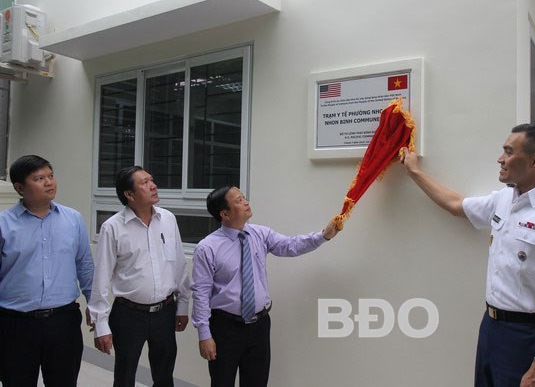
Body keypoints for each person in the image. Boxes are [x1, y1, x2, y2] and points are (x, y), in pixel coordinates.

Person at [400, 124, 535, 387]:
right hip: (492, 329)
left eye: (508, 151)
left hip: (533, 336)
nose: (500, 159)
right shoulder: (505, 200)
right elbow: (455, 205)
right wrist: (415, 172)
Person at [192, 186, 340, 387]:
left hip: (259, 325)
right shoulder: (207, 247)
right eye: (238, 200)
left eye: (244, 197)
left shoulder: (260, 234)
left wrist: (323, 236)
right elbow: (201, 293)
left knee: (257, 382)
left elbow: (290, 245)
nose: (245, 202)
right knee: (222, 382)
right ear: (224, 214)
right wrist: (204, 334)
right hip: (226, 328)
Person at [88, 166, 191, 387]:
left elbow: (179, 265)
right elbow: (102, 278)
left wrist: (182, 305)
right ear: (129, 194)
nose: (153, 186)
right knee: (125, 375)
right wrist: (101, 324)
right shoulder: (112, 228)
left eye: (152, 180)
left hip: (165, 311)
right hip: (128, 314)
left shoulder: (168, 219)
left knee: (164, 375)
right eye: (144, 183)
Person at [0, 155, 94, 387]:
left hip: (63, 321)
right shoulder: (4, 224)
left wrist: (94, 303)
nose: (49, 182)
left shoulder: (73, 219)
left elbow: (84, 264)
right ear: (20, 187)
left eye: (50, 176)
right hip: (15, 324)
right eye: (39, 178)